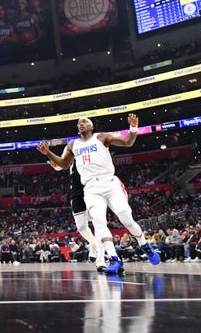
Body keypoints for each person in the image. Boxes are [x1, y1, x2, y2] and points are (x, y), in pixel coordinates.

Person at [38, 115, 161, 275]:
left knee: (127, 219)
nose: (81, 124)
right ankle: (114, 260)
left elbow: (128, 142)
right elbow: (63, 164)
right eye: (78, 123)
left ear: (91, 126)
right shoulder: (72, 145)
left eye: (84, 122)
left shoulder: (102, 137)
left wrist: (133, 128)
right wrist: (48, 153)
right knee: (99, 222)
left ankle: (144, 244)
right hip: (90, 188)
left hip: (109, 182)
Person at [47, 157, 104, 271]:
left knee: (98, 222)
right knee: (82, 227)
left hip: (91, 190)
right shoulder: (72, 150)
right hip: (76, 193)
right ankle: (92, 243)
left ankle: (101, 259)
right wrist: (55, 165)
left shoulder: (90, 152)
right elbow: (62, 165)